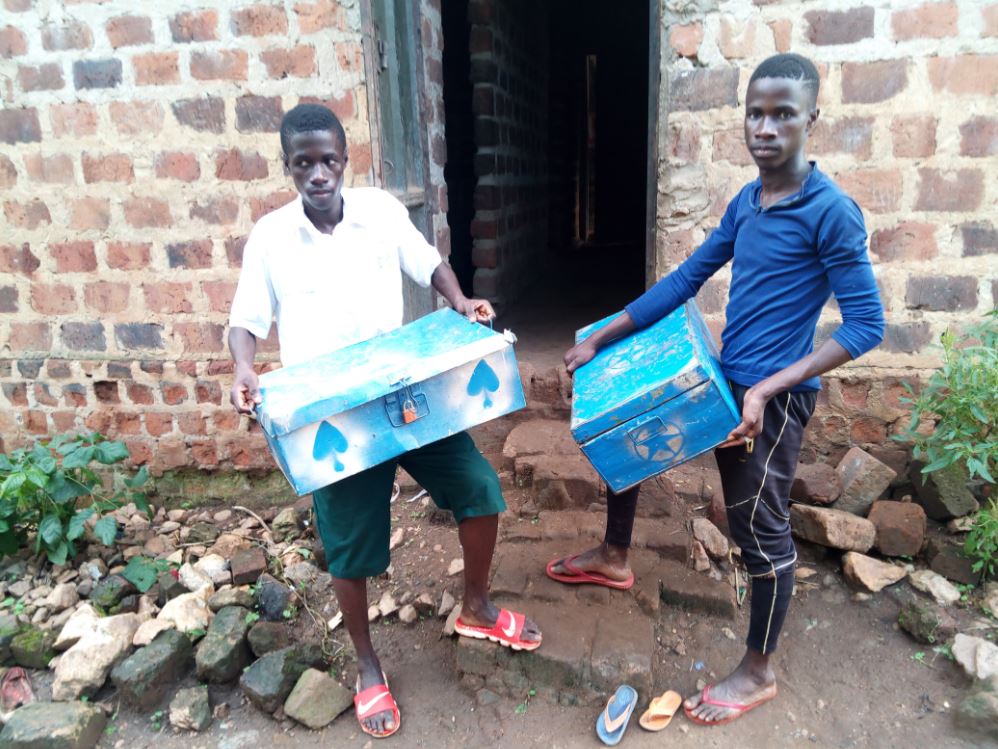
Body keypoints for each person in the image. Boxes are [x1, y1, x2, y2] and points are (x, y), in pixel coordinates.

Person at [551, 53, 885, 726]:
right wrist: (602, 337)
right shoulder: (749, 201)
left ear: (812, 120)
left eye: (783, 114)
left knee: (757, 527)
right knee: (628, 433)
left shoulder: (831, 212)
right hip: (724, 381)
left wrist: (765, 392)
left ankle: (758, 671)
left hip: (772, 403)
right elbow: (687, 279)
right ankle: (614, 555)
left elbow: (866, 326)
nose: (765, 127)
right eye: (755, 113)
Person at [227, 103, 541, 739]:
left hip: (406, 394)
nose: (318, 173)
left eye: (328, 160)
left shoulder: (379, 212)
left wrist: (460, 300)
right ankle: (368, 665)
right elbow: (246, 319)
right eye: (303, 163)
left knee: (479, 489)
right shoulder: (271, 238)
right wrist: (243, 368)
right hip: (334, 416)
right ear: (288, 167)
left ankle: (477, 606)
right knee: (349, 547)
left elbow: (427, 262)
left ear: (346, 159)